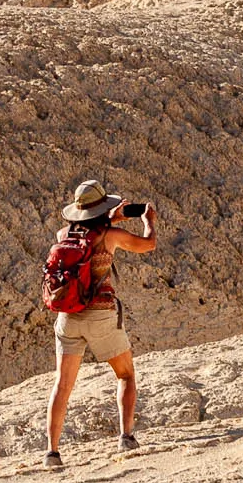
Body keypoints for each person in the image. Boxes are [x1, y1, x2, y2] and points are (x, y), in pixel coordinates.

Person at [42, 177, 162, 467]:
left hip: (67, 317)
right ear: (103, 209)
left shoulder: (62, 235)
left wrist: (108, 217)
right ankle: (126, 437)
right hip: (100, 316)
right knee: (125, 375)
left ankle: (52, 453)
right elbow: (149, 245)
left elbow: (87, 231)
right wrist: (149, 221)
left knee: (63, 384)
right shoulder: (111, 236)